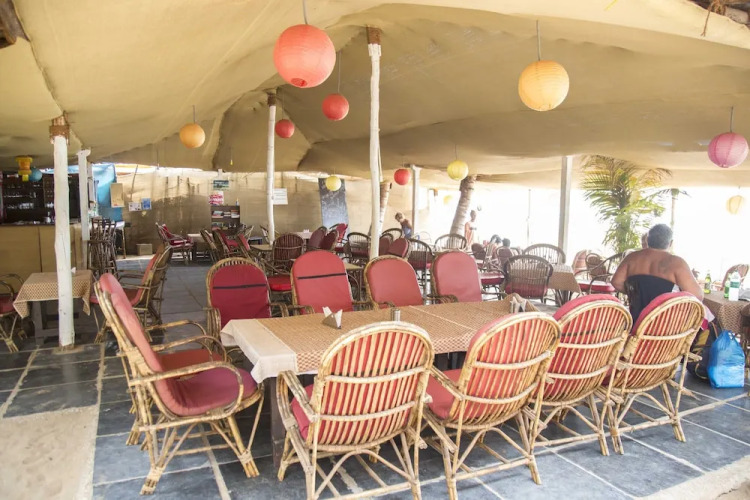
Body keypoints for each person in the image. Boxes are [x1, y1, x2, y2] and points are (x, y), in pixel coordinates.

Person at [611, 224, 703, 322]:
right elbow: (697, 295)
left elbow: (616, 282)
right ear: (670, 243)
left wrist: (636, 293)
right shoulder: (677, 263)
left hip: (636, 323)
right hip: (665, 326)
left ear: (647, 240)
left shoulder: (631, 258)